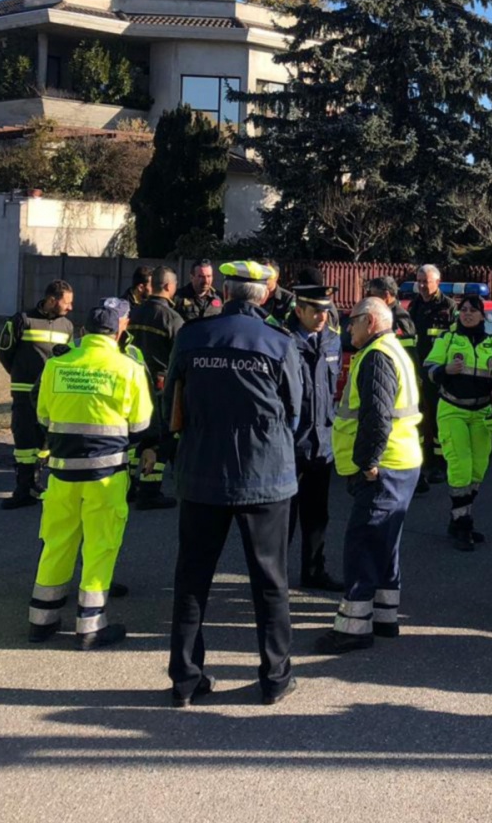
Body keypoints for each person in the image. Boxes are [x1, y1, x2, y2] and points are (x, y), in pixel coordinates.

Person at [163, 260, 304, 707]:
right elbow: (295, 412)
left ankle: (185, 680)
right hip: (266, 476)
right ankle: (275, 677)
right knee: (270, 582)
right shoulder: (280, 342)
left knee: (192, 579)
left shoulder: (191, 336)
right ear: (262, 296)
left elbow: (173, 406)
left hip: (202, 473)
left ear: (224, 291)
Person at [28, 298, 153, 651]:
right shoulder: (128, 368)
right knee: (100, 546)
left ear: (83, 332)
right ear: (116, 333)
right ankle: (90, 626)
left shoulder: (58, 364)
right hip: (106, 474)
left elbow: (42, 417)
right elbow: (141, 424)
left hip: (62, 471)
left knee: (57, 542)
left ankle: (42, 620)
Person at [315, 296, 423, 655]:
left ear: (372, 322)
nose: (348, 327)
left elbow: (377, 417)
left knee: (362, 543)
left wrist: (367, 463)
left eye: (353, 320)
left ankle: (354, 628)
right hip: (401, 461)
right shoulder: (390, 351)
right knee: (384, 542)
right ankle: (384, 617)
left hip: (384, 465)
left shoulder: (377, 357)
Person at [423, 293, 492, 552]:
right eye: (463, 309)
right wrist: (444, 370)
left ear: (482, 315)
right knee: (460, 467)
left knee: (478, 469)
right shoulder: (447, 339)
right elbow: (428, 366)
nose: (467, 313)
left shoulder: (491, 342)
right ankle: (462, 524)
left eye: (473, 309)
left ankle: (460, 517)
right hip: (452, 410)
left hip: (481, 413)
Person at [0, 279, 74, 510]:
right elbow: (4, 351)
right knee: (24, 441)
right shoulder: (22, 320)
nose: (70, 308)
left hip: (51, 394)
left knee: (44, 440)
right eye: (66, 303)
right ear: (51, 300)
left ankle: (35, 484)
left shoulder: (67, 326)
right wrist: (19, 373)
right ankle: (22, 488)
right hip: (24, 391)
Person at [286, 284, 344, 591]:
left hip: (322, 441)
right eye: (316, 311)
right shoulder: (284, 340)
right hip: (291, 442)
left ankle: (314, 570)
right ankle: (274, 577)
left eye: (326, 310)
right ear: (299, 311)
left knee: (318, 515)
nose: (323, 316)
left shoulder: (333, 340)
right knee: (284, 518)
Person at [126, 266, 183, 511]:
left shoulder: (133, 313)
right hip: (160, 389)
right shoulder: (172, 319)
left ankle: (128, 485)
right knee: (164, 437)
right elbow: (181, 358)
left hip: (130, 384)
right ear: (169, 287)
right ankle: (150, 490)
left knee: (134, 436)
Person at [362, 275, 423, 491]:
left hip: (398, 384)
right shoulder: (390, 314)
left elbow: (402, 354)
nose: (369, 298)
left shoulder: (399, 318)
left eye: (373, 294)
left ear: (387, 296)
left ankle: (417, 479)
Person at [408, 264, 459, 484]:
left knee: (440, 421)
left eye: (425, 281)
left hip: (440, 374)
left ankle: (441, 464)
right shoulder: (414, 306)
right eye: (418, 281)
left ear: (437, 282)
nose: (421, 285)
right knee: (420, 419)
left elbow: (456, 343)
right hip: (417, 372)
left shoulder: (448, 307)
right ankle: (423, 461)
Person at [261, 258, 297, 329]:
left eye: (268, 275)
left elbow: (291, 326)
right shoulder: (253, 295)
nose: (263, 278)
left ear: (276, 277)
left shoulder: (289, 299)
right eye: (261, 274)